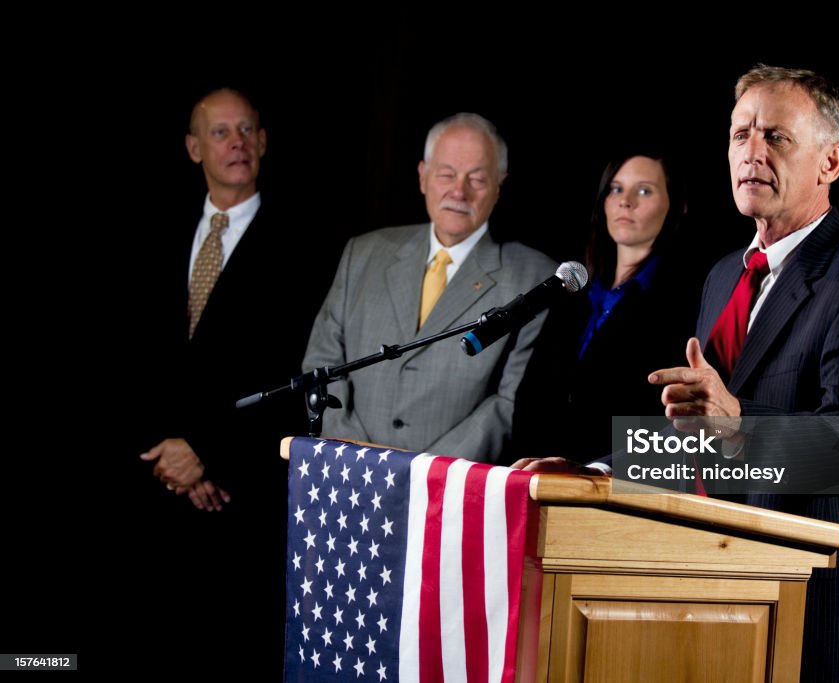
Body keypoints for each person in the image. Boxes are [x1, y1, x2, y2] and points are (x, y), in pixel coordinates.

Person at [644, 65, 839, 681]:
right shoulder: (722, 277)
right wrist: (603, 469)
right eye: (740, 135)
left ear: (831, 163)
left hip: (795, 610)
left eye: (776, 137)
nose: (751, 152)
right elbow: (700, 441)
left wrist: (739, 425)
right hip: (695, 584)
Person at [131, 87, 331, 676]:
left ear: (264, 142)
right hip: (156, 479)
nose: (237, 143)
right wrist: (167, 452)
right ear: (194, 148)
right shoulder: (154, 230)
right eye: (221, 132)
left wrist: (209, 456)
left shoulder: (309, 244)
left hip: (241, 496)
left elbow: (299, 373)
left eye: (247, 130)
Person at [303, 112, 556, 462]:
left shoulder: (534, 278)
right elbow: (322, 362)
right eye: (447, 174)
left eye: (478, 179)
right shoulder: (362, 253)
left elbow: (509, 400)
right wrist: (357, 457)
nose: (459, 191)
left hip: (446, 489)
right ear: (423, 176)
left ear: (500, 184)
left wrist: (423, 473)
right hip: (349, 476)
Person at [512, 151, 695, 463]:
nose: (625, 201)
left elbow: (661, 421)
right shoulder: (573, 290)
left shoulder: (684, 304)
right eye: (616, 188)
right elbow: (530, 397)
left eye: (644, 190)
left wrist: (590, 474)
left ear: (676, 206)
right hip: (534, 477)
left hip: (609, 488)